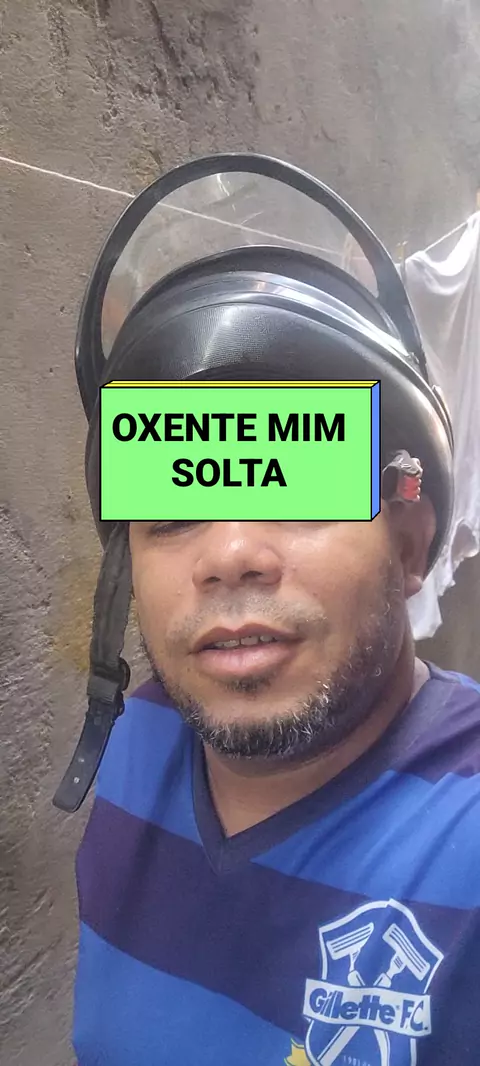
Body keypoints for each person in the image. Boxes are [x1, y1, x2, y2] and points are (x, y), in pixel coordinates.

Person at [56, 156, 480, 1065]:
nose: (229, 554)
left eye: (297, 488)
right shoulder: (136, 743)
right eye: (173, 505)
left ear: (410, 547)